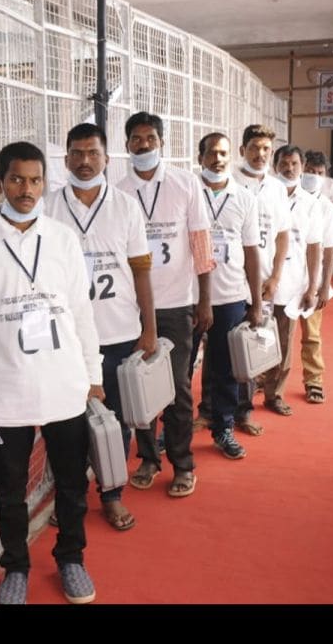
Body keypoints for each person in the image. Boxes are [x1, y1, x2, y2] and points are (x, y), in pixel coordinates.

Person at [0, 141, 103, 605]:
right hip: (6, 387)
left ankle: (71, 558)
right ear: (0, 182)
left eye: (35, 180)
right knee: (9, 489)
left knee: (73, 482)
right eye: (17, 179)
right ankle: (16, 565)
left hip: (64, 383)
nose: (26, 189)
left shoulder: (61, 238)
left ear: (45, 182)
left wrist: (93, 372)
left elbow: (81, 310)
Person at [45, 123, 157, 531]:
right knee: (65, 424)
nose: (85, 161)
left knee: (116, 421)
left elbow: (141, 271)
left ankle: (112, 494)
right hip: (66, 338)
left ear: (107, 158)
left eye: (93, 153)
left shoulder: (126, 206)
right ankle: (69, 496)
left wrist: (148, 328)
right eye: (76, 153)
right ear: (66, 158)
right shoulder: (48, 207)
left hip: (118, 331)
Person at [117, 112, 214, 499]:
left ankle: (183, 463)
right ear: (127, 145)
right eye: (136, 139)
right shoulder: (119, 190)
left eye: (150, 138)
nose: (143, 145)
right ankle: (148, 459)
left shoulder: (185, 183)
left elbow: (200, 242)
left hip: (177, 303)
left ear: (162, 143)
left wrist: (204, 300)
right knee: (139, 388)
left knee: (175, 388)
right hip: (133, 307)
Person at [194, 132, 262, 460]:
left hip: (232, 295)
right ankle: (173, 430)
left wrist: (256, 302)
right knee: (179, 370)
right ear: (200, 158)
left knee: (225, 367)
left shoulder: (244, 198)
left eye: (223, 153)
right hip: (189, 295)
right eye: (211, 153)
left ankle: (223, 427)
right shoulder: (189, 193)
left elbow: (251, 252)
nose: (218, 159)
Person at [223, 123, 292, 435]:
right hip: (229, 280)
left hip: (263, 282)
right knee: (222, 347)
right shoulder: (229, 181)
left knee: (251, 347)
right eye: (254, 148)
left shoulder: (277, 188)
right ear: (242, 151)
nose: (260, 154)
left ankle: (244, 410)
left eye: (266, 149)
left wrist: (276, 276)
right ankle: (213, 410)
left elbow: (282, 236)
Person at [260, 145, 322, 417]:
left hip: (292, 283)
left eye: (294, 163)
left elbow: (314, 247)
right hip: (262, 280)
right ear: (275, 166)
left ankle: (275, 394)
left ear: (302, 165)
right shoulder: (263, 197)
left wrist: (313, 287)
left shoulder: (310, 204)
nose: (289, 168)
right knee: (258, 337)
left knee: (285, 343)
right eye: (284, 163)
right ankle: (255, 383)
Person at [299, 160, 333, 403]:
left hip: (312, 282)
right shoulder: (286, 198)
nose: (313, 176)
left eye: (319, 173)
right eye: (309, 171)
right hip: (287, 280)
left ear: (325, 176)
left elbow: (329, 250)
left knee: (312, 335)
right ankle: (266, 378)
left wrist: (324, 286)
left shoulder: (326, 207)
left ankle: (313, 380)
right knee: (275, 333)